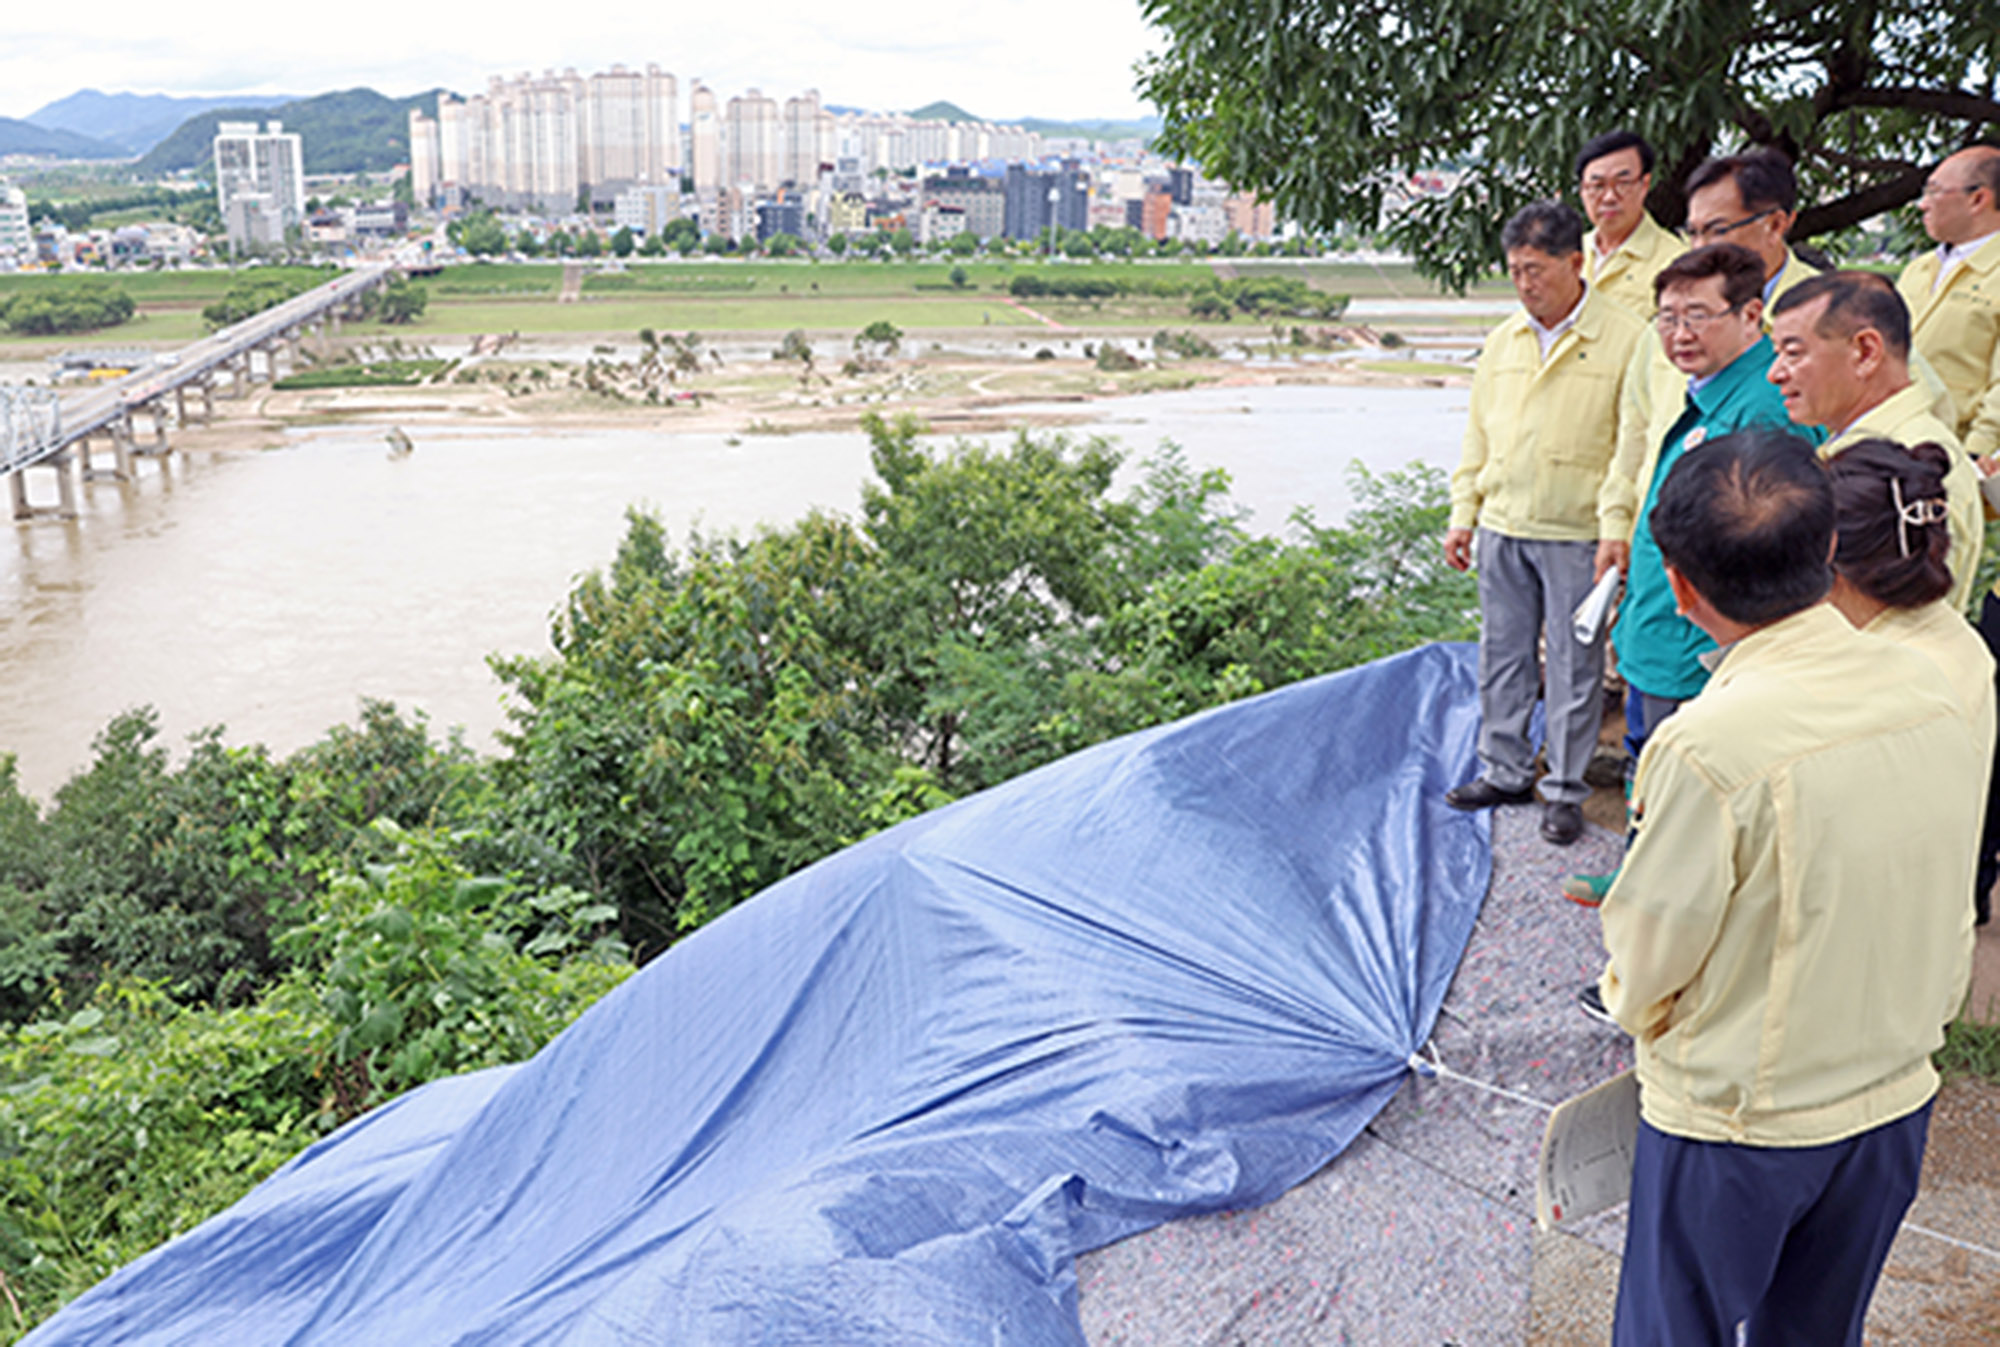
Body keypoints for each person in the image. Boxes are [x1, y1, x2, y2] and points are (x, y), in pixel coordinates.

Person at [1595, 427, 1979, 1347]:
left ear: (1681, 587)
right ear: (1827, 548)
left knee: (1671, 1330)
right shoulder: (1938, 684)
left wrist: (1630, 1005)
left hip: (1742, 1117)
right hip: (1891, 1092)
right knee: (1814, 1333)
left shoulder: (1709, 745)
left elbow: (1651, 955)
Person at [1562, 244, 1792, 906]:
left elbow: (1757, 548)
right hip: (1661, 622)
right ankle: (1639, 878)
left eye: (1698, 316)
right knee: (1650, 770)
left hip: (1700, 641)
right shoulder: (1711, 389)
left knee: (1683, 789)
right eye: (1666, 317)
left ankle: (1663, 922)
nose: (1679, 334)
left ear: (1752, 313)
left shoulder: (1760, 408)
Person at [1444, 201, 1647, 845]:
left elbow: (1631, 445)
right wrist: (1463, 515)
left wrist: (1617, 527)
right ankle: (1503, 770)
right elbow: (1477, 436)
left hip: (1579, 531)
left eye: (1537, 269)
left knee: (1573, 664)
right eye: (1515, 271)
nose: (1526, 284)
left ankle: (1563, 788)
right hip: (1504, 522)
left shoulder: (1627, 338)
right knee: (1501, 656)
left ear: (1575, 262)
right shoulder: (1504, 340)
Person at [1829, 436, 2000, 925]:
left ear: (1830, 549)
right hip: (1930, 920)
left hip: (1869, 925)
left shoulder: (1878, 675)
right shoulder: (1958, 642)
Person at [1768, 271, 1984, 611]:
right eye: (1776, 352)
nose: (1775, 373)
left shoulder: (1913, 462)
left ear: (1866, 352)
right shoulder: (1853, 443)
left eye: (1793, 353)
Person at [1896, 146, 2000, 457]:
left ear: (1978, 199)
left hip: (1957, 455)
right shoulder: (1918, 269)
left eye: (1934, 192)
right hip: (1895, 445)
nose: (1922, 205)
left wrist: (1977, 453)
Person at [1575, 130, 1684, 317]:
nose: (1609, 197)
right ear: (1582, 191)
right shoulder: (1568, 252)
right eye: (1597, 186)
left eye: (1622, 183)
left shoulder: (1676, 261)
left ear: (1644, 185)